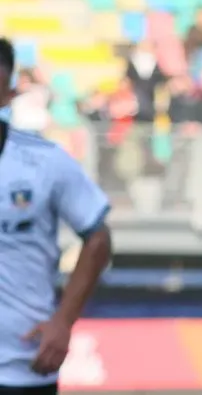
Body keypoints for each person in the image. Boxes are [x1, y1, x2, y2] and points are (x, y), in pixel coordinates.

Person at [0, 38, 112, 394]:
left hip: (24, 365)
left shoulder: (45, 162)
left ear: (9, 94)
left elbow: (98, 238)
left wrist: (63, 321)